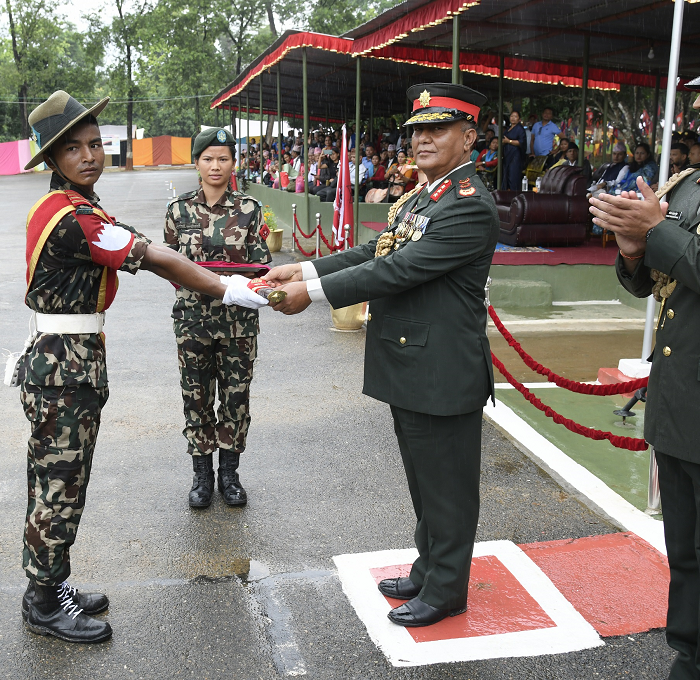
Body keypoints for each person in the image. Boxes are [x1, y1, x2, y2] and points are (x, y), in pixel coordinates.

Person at [16, 91, 265, 644]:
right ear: (52, 159)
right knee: (60, 484)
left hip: (69, 361)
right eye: (73, 148)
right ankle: (42, 600)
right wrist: (231, 289)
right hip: (63, 368)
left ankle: (52, 583)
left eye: (95, 144)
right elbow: (156, 257)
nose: (90, 155)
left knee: (60, 480)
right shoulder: (73, 219)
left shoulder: (77, 207)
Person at [264, 82, 499, 628]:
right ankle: (429, 567)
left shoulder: (467, 205)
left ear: (469, 138)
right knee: (423, 478)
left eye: (437, 128)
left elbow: (399, 270)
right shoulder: (425, 196)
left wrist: (312, 294)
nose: (422, 139)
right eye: (417, 130)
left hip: (442, 368)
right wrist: (304, 269)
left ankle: (446, 589)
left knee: (447, 486)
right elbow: (377, 249)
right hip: (412, 361)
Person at [589, 74, 700, 679]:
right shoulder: (686, 187)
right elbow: (652, 285)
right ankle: (688, 648)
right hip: (681, 392)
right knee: (684, 546)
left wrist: (657, 230)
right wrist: (633, 245)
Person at [164, 128, 272, 509]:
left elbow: (261, 265)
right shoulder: (178, 210)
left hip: (238, 323)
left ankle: (230, 473)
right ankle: (201, 475)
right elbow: (169, 263)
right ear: (196, 162)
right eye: (208, 158)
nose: (215, 165)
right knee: (196, 397)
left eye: (223, 158)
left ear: (233, 163)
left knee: (236, 397)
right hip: (193, 320)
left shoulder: (250, 209)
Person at [502, 110, 526, 190]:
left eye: (515, 116)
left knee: (513, 175)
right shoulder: (508, 128)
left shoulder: (520, 129)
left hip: (515, 155)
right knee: (507, 175)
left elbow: (521, 142)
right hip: (507, 154)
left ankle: (513, 194)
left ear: (519, 119)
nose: (513, 118)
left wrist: (509, 141)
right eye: (512, 116)